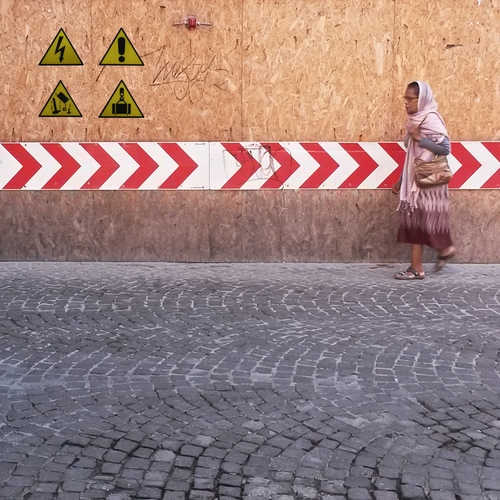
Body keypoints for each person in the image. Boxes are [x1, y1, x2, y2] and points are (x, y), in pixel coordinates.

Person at [392, 81, 456, 280]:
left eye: (410, 98)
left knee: (418, 222)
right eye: (405, 98)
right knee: (419, 222)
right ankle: (443, 250)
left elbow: (445, 148)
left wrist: (420, 138)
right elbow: (412, 156)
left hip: (428, 183)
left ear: (422, 99)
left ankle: (417, 268)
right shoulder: (415, 120)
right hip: (416, 181)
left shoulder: (430, 118)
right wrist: (402, 180)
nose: (406, 102)